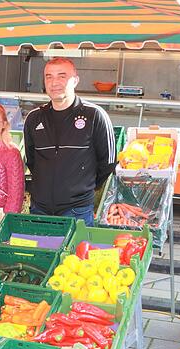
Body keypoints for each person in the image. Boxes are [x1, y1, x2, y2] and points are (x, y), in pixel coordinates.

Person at [23, 57, 116, 226]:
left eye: (62, 76)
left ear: (75, 80)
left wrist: (82, 187)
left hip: (77, 211)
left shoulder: (95, 115)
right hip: (39, 209)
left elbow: (108, 163)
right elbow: (31, 160)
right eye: (48, 76)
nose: (54, 82)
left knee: (75, 253)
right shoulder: (34, 118)